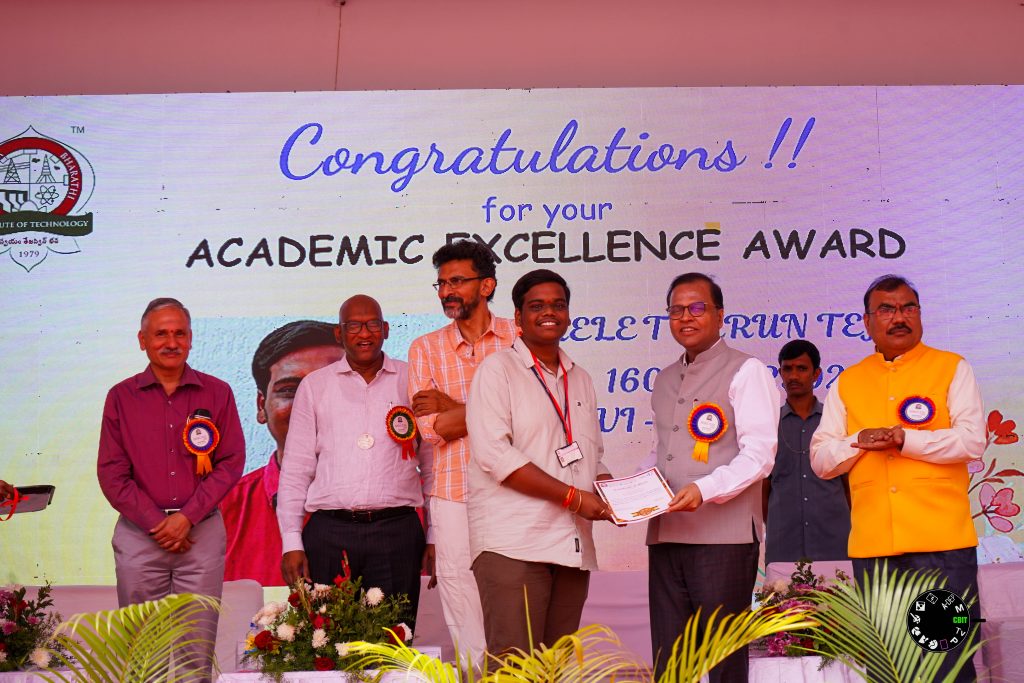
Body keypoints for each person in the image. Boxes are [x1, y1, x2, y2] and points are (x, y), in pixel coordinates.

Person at [810, 275, 985, 683]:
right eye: (886, 310)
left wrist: (907, 439)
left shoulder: (951, 367)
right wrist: (859, 439)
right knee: (889, 667)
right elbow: (821, 459)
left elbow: (972, 440)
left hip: (942, 548)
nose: (899, 317)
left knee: (946, 665)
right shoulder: (849, 381)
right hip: (875, 553)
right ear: (867, 322)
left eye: (908, 308)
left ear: (920, 315)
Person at [466, 269, 613, 656]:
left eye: (558, 305)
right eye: (537, 306)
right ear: (518, 317)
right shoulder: (497, 371)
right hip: (515, 545)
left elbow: (592, 456)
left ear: (568, 314)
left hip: (571, 546)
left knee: (554, 667)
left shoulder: (580, 378)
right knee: (515, 667)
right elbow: (496, 456)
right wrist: (575, 498)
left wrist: (615, 494)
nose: (549, 312)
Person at [97, 297, 245, 682]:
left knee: (196, 652)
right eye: (161, 334)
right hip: (139, 535)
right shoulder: (120, 397)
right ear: (142, 340)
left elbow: (231, 461)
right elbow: (112, 474)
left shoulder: (218, 392)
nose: (171, 342)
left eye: (180, 333)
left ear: (191, 339)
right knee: (143, 653)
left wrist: (186, 518)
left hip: (201, 533)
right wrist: (156, 522)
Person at [647, 273, 779, 683]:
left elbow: (760, 455)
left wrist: (704, 489)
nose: (685, 317)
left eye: (697, 307)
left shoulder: (747, 370)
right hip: (666, 536)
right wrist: (630, 493)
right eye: (676, 310)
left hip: (724, 540)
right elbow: (664, 453)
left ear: (720, 315)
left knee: (724, 662)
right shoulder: (664, 378)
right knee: (671, 663)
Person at [277, 295, 430, 629]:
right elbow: (296, 470)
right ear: (339, 333)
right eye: (354, 326)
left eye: (372, 324)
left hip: (397, 533)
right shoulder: (315, 386)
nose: (364, 333)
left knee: (394, 640)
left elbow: (432, 465)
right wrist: (291, 541)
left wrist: (433, 534)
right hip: (329, 533)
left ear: (386, 329)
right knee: (326, 643)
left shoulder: (412, 379)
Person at [407, 240, 517, 662]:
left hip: (516, 487)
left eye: (457, 281)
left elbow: (530, 416)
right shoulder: (425, 348)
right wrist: (493, 411)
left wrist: (454, 406)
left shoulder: (519, 336)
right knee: (459, 590)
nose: (447, 292)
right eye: (441, 284)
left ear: (487, 285)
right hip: (453, 492)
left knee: (516, 589)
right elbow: (431, 428)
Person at [218, 320, 343, 586]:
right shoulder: (219, 514)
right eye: (289, 390)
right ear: (261, 406)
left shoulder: (415, 510)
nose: (311, 406)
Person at [763, 340, 850, 576]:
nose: (794, 376)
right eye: (787, 369)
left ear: (816, 374)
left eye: (801, 368)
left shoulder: (834, 423)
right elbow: (764, 488)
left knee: (837, 601)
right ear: (780, 373)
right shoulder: (769, 424)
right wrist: (776, 524)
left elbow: (848, 484)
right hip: (784, 542)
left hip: (835, 539)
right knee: (784, 601)